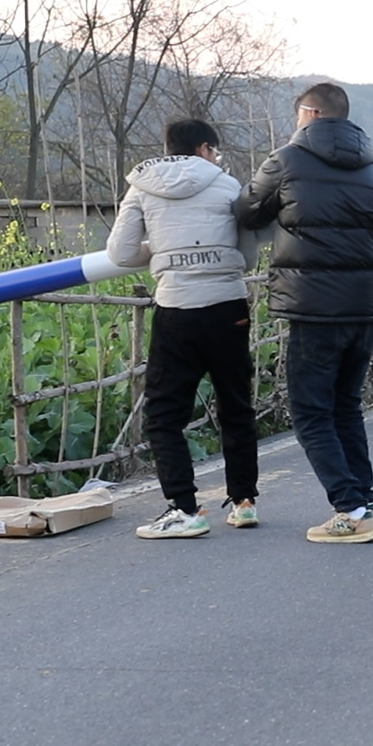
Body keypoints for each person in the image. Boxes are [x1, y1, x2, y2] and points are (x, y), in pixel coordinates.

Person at [235, 83, 373, 544]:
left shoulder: (286, 160)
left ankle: (350, 508)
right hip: (364, 303)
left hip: (313, 304)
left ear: (309, 113)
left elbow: (248, 210)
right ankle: (363, 501)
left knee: (310, 412)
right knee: (346, 406)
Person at [107, 118, 262, 540]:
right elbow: (248, 256)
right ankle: (244, 501)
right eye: (215, 151)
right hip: (228, 305)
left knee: (164, 414)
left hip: (176, 307)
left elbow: (119, 253)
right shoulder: (228, 185)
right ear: (204, 149)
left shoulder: (142, 186)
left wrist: (163, 249)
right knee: (235, 404)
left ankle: (184, 507)